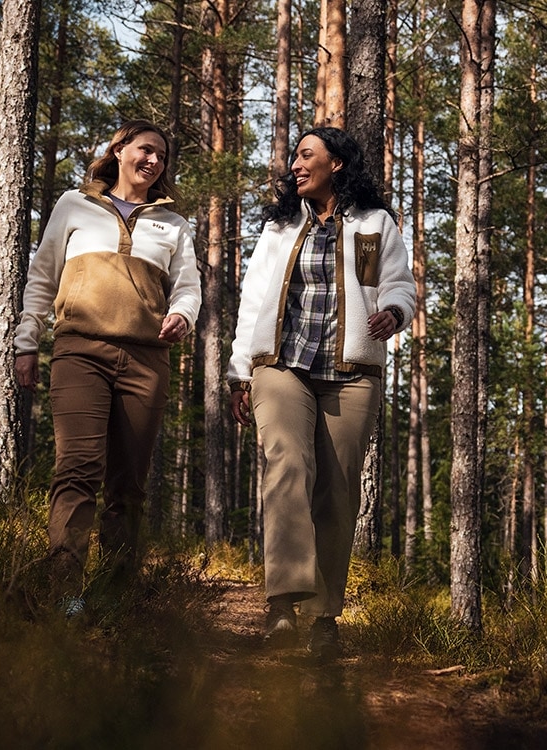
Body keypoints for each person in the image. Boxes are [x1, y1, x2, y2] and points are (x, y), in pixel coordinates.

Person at [227, 127, 417, 660]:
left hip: (351, 370)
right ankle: (283, 602)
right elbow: (253, 297)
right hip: (280, 364)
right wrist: (240, 369)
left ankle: (324, 618)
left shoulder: (374, 224)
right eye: (294, 156)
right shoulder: (281, 226)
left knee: (337, 489)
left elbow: (398, 284)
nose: (295, 164)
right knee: (286, 461)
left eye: (306, 155)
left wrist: (395, 311)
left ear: (337, 164)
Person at [14, 120, 201, 617]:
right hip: (80, 352)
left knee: (128, 484)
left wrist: (182, 313)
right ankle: (63, 594)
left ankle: (115, 598)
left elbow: (188, 286)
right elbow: (42, 275)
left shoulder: (174, 224)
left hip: (146, 360)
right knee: (76, 470)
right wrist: (26, 341)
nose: (154, 161)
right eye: (146, 150)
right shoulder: (74, 205)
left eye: (162, 155)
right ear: (119, 150)